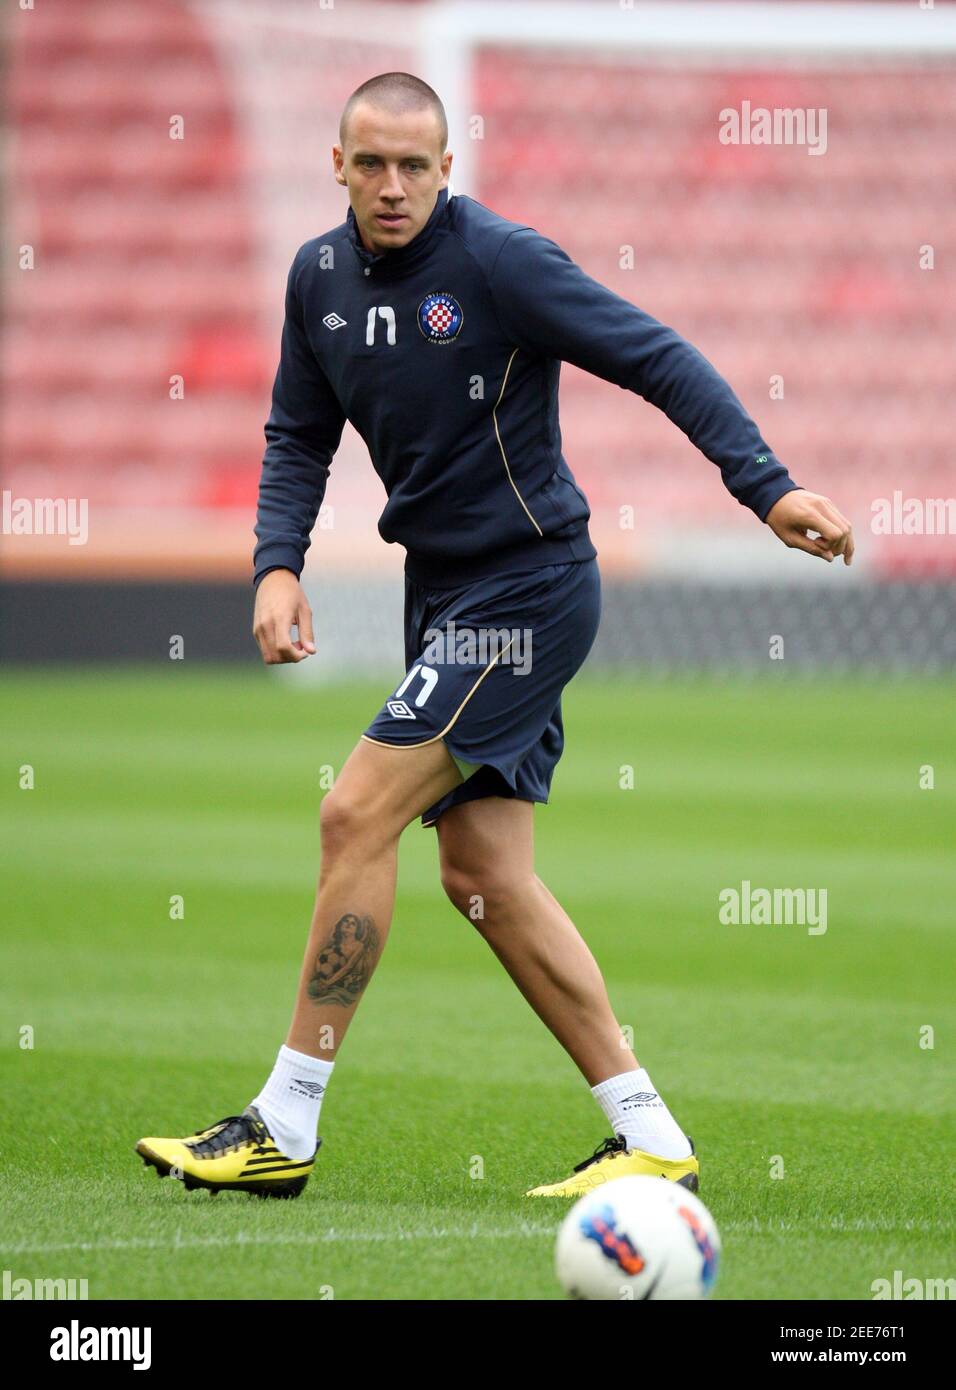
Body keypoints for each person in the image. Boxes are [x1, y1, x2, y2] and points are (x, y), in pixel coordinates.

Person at [136, 72, 853, 1201]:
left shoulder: (500, 262)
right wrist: (277, 563)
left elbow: (654, 355)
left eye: (412, 166)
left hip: (526, 595)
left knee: (353, 810)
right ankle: (647, 1131)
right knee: (481, 875)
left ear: (446, 170)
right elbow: (295, 435)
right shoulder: (316, 278)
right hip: (445, 594)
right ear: (335, 165)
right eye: (368, 163)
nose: (390, 186)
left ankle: (284, 1121)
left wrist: (764, 488)